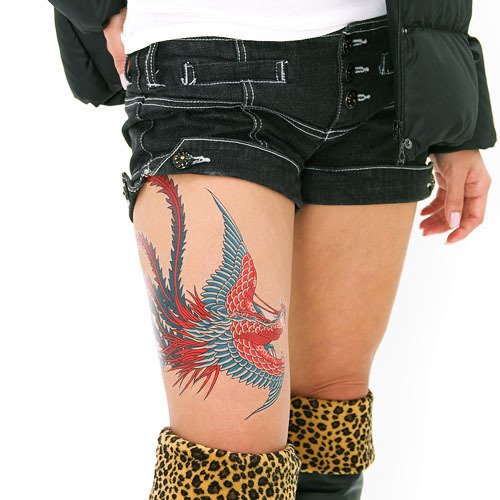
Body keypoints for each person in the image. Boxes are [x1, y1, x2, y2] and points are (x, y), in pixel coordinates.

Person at [48, 1, 496, 499]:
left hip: (381, 74)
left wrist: (457, 116)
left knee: (329, 427)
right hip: (203, 73)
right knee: (224, 473)